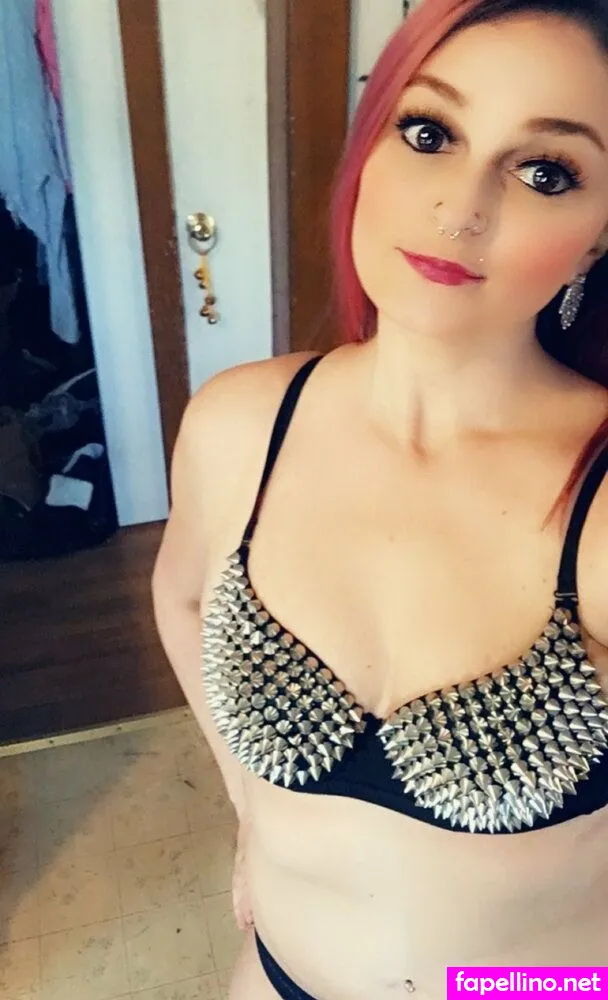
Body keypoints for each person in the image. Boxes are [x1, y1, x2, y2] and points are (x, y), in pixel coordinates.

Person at [152, 0, 608, 996]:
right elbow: (180, 597)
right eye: (430, 132)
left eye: (545, 171)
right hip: (276, 977)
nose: (459, 208)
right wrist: (251, 810)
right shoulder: (239, 427)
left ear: (594, 239)